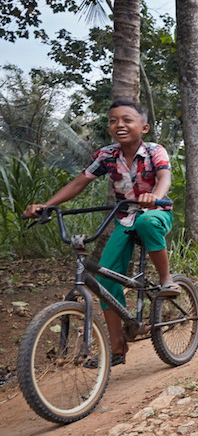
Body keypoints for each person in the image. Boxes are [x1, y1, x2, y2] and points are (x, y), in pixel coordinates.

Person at [23, 99, 177, 367]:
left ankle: (166, 279)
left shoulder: (155, 151)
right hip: (124, 219)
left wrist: (155, 196)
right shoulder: (106, 155)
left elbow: (164, 176)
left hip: (156, 212)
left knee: (147, 222)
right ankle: (116, 348)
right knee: (106, 279)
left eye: (127, 120)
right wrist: (47, 206)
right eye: (113, 120)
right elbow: (80, 181)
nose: (119, 125)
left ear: (144, 127)